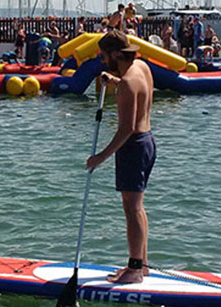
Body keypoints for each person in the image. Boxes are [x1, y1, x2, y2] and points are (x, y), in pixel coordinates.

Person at [86, 31, 155, 284]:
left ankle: (135, 270)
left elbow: (125, 129)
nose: (102, 61)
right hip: (148, 142)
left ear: (116, 54)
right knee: (138, 206)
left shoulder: (127, 83)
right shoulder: (141, 67)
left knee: (132, 208)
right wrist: (113, 81)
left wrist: (99, 158)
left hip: (134, 146)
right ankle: (142, 264)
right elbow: (138, 91)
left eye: (104, 56)